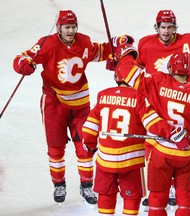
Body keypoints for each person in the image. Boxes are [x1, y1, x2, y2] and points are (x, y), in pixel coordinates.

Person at [12, 10, 129, 205]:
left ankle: (86, 186)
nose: (71, 31)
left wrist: (116, 44)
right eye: (67, 27)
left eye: (73, 27)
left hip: (81, 104)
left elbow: (100, 51)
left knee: (85, 146)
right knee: (56, 148)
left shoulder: (83, 41)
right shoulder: (47, 43)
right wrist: (23, 64)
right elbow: (22, 57)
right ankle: (59, 184)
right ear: (58, 28)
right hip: (54, 103)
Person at [113, 43, 190, 216]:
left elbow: (127, 72)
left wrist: (127, 52)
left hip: (161, 152)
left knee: (157, 198)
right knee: (186, 201)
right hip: (188, 155)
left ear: (170, 68)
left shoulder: (157, 81)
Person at [81, 68, 190, 215]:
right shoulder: (139, 97)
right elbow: (153, 123)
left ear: (116, 78)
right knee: (131, 198)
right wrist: (174, 133)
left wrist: (89, 145)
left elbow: (89, 127)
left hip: (105, 161)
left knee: (106, 196)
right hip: (130, 163)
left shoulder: (103, 96)